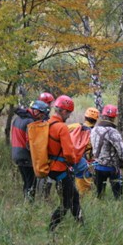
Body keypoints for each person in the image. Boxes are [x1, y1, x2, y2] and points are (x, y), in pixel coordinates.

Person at [47, 95, 82, 231]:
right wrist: (73, 161)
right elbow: (68, 153)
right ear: (63, 111)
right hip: (60, 169)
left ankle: (81, 223)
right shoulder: (61, 128)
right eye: (68, 113)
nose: (69, 116)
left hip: (51, 167)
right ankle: (51, 228)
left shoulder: (48, 124)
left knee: (74, 196)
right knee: (66, 202)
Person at [11, 100, 49, 202]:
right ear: (36, 111)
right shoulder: (30, 122)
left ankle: (26, 203)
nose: (42, 118)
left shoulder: (17, 119)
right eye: (42, 114)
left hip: (16, 154)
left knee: (26, 181)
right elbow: (30, 143)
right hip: (26, 156)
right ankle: (29, 206)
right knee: (31, 183)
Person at [90, 104, 123, 199]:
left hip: (98, 167)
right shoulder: (113, 131)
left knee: (99, 196)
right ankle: (118, 210)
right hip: (112, 169)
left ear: (103, 115)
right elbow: (122, 152)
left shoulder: (94, 130)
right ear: (114, 117)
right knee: (118, 197)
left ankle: (100, 211)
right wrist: (121, 163)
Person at [68, 107, 99, 196]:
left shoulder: (74, 126)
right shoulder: (95, 132)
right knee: (84, 187)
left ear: (85, 117)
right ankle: (83, 196)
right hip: (83, 162)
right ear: (96, 120)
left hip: (68, 158)